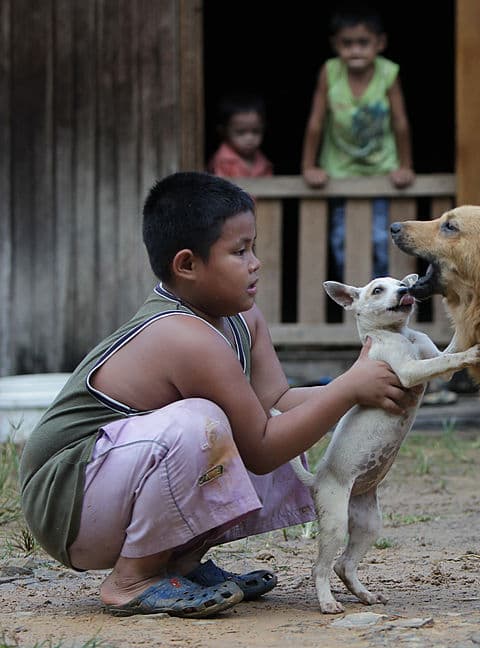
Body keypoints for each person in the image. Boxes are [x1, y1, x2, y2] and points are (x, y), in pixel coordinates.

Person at [18, 172, 421, 618]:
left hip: (112, 490)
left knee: (268, 422)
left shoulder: (243, 320)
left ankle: (182, 562)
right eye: (239, 251)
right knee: (202, 424)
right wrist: (347, 387)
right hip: (65, 500)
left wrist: (364, 386)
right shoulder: (183, 335)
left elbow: (281, 401)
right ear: (187, 265)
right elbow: (264, 449)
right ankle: (132, 579)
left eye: (253, 247)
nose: (255, 263)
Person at [301, 5, 414, 280]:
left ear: (380, 43)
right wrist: (309, 166)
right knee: (342, 241)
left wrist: (405, 165)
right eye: (347, 43)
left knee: (380, 239)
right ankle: (354, 297)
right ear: (335, 45)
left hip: (380, 171)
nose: (355, 50)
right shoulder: (330, 72)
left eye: (363, 43)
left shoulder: (388, 73)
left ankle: (384, 296)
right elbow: (316, 121)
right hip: (339, 171)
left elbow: (400, 122)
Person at [208, 93, 274, 178]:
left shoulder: (263, 161)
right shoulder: (221, 161)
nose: (249, 138)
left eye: (256, 131)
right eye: (240, 132)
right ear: (223, 132)